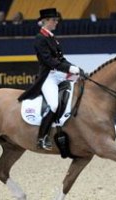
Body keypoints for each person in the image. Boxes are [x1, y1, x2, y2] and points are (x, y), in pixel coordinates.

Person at [18, 8, 85, 151]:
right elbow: (48, 60)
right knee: (54, 105)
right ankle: (42, 137)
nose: (56, 22)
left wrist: (74, 68)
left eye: (56, 20)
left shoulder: (51, 37)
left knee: (81, 81)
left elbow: (61, 58)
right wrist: (68, 69)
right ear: (46, 21)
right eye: (54, 20)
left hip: (59, 74)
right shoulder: (40, 38)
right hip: (48, 77)